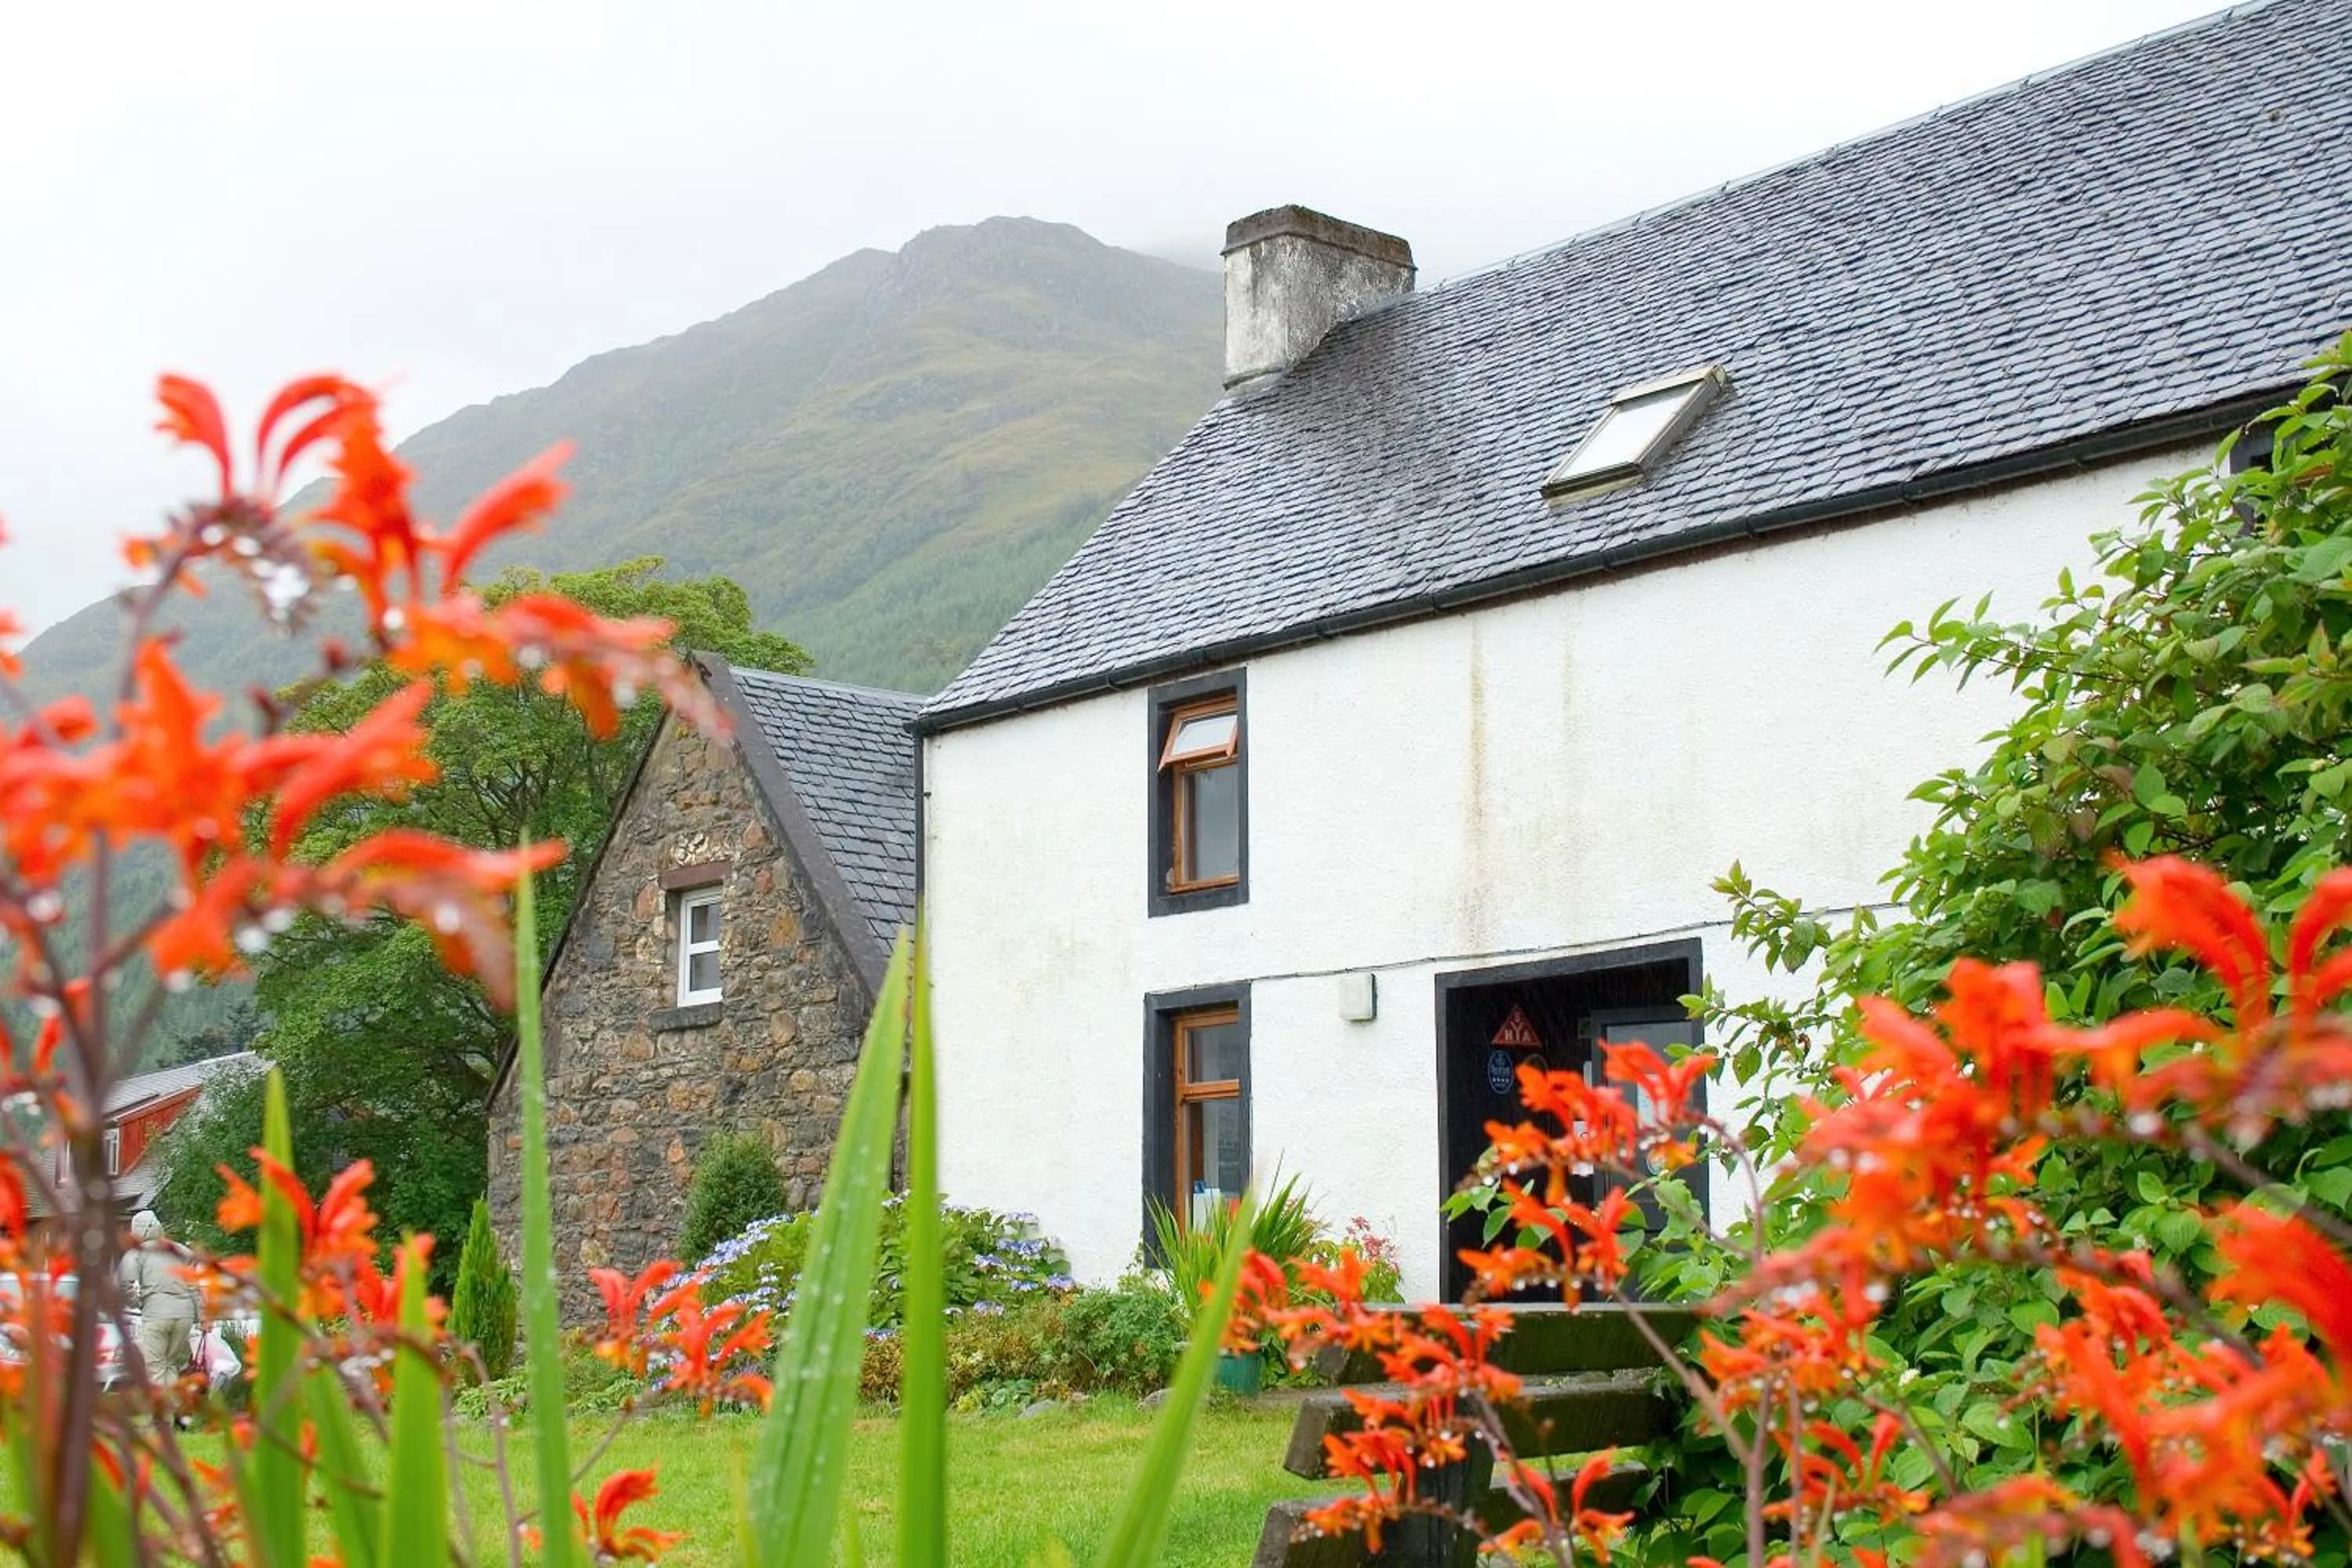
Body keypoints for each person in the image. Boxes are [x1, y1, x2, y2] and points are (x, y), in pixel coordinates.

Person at [117, 1210, 202, 1386]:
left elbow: (125, 1283)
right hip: (185, 1315)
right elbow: (195, 1287)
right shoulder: (181, 1251)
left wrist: (137, 1303)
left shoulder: (137, 1253)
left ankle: (160, 1404)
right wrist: (204, 1317)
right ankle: (173, 1401)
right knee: (170, 1364)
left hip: (156, 1313)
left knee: (155, 1367)